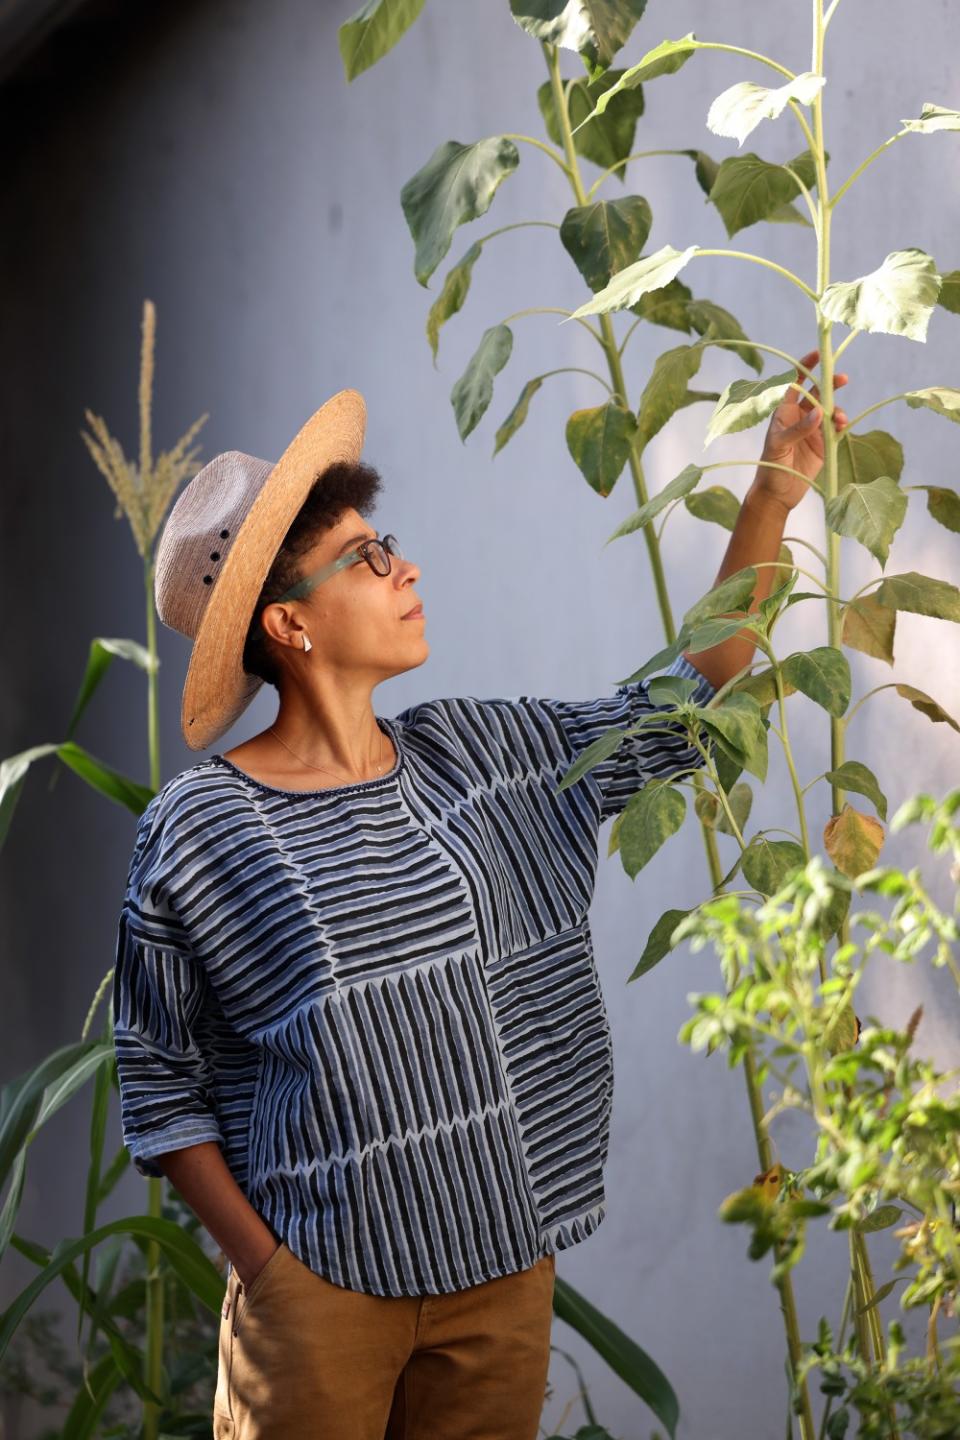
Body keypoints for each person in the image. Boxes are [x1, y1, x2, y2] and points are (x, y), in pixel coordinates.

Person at [113, 372, 847, 1439]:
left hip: (499, 1276)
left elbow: (684, 699)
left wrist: (774, 494)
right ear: (289, 621)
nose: (403, 566)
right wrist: (270, 1273)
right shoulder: (204, 829)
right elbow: (158, 1076)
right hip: (317, 1296)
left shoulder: (484, 755)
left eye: (387, 540)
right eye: (365, 557)